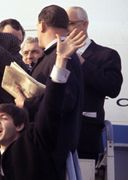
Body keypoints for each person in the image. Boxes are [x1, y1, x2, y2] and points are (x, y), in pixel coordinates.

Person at [0, 30, 86, 180]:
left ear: (19, 125)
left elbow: (51, 107)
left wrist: (60, 61)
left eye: (4, 118)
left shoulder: (35, 144)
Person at [26, 5, 84, 179]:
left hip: (53, 151)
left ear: (42, 25)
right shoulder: (50, 57)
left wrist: (26, 102)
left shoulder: (62, 58)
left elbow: (65, 100)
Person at [66, 6, 123, 161]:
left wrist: (82, 62)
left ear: (85, 24)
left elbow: (113, 87)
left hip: (86, 134)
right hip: (58, 132)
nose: (66, 28)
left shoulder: (106, 55)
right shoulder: (57, 54)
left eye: (70, 23)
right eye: (63, 23)